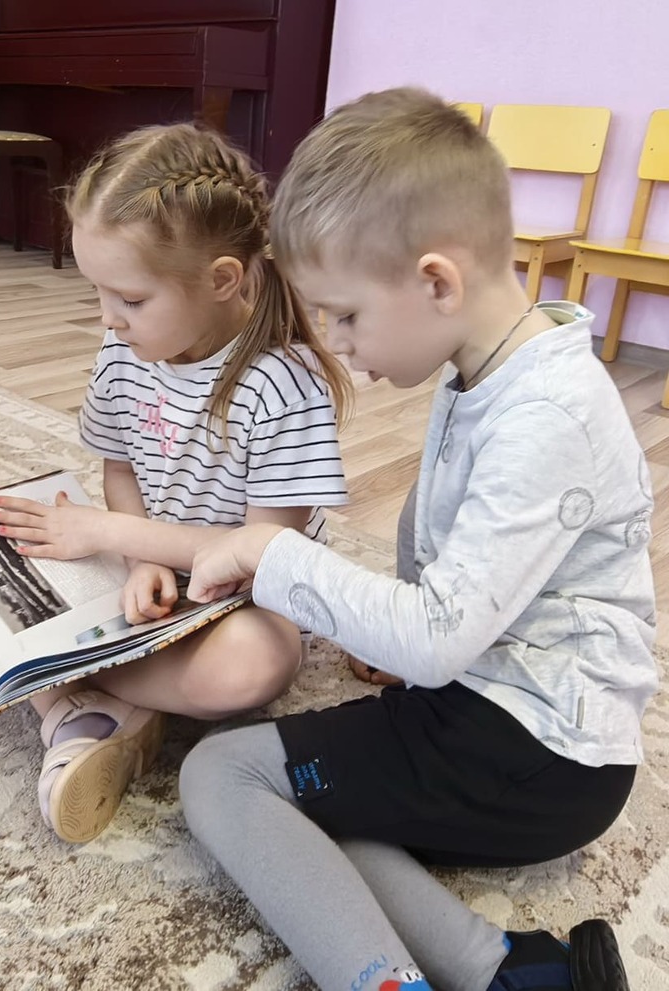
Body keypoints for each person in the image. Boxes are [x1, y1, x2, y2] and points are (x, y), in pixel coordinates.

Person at [180, 88, 647, 991]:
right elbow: (446, 561)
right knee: (310, 810)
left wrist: (269, 555)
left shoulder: (547, 416)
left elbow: (433, 637)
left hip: (541, 750)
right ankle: (511, 971)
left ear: (437, 282)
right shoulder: (491, 361)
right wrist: (395, 638)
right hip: (503, 713)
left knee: (225, 775)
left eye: (346, 315)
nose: (337, 341)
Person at [0, 123, 354, 843]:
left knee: (254, 664)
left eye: (129, 298)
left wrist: (111, 532)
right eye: (99, 291)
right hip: (146, 567)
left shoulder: (283, 384)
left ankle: (63, 691)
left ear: (221, 280)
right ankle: (101, 695)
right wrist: (137, 559)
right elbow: (119, 466)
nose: (107, 318)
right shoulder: (122, 349)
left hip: (239, 598)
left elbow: (267, 549)